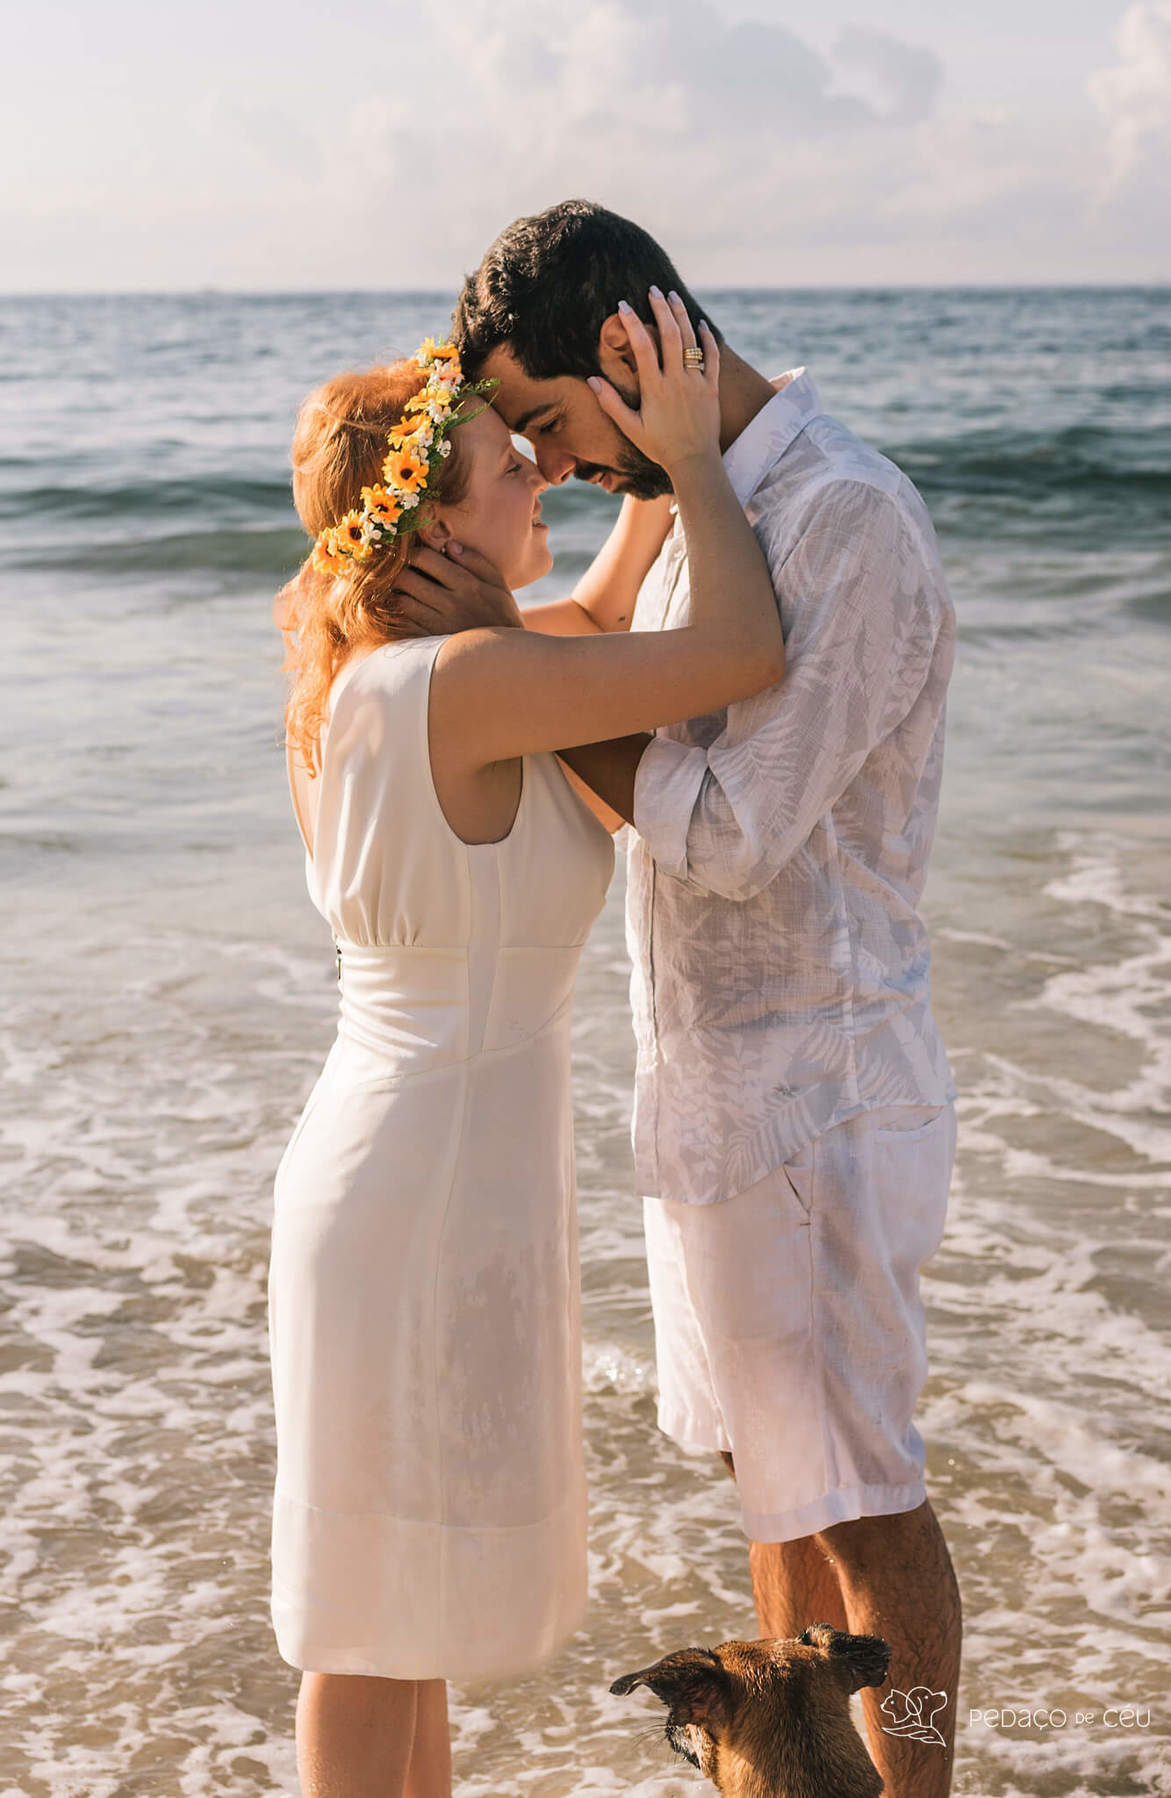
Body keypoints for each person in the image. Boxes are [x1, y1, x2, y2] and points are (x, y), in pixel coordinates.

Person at [408, 199, 962, 1798]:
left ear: (632, 348)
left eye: (543, 419)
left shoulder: (841, 518)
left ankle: (916, 1789)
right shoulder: (686, 500)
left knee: (870, 1509)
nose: (555, 460)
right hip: (715, 1090)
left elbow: (720, 835)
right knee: (778, 1495)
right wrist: (495, 639)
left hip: (827, 1095)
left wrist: (501, 666)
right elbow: (583, 645)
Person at [269, 292, 784, 1798]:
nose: (540, 476)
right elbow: (739, 647)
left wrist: (643, 416)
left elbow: (613, 620)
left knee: (393, 1615)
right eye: (511, 462)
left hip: (404, 1167)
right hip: (421, 1181)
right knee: (367, 1632)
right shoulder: (475, 680)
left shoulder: (376, 676)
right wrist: (693, 464)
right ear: (430, 522)